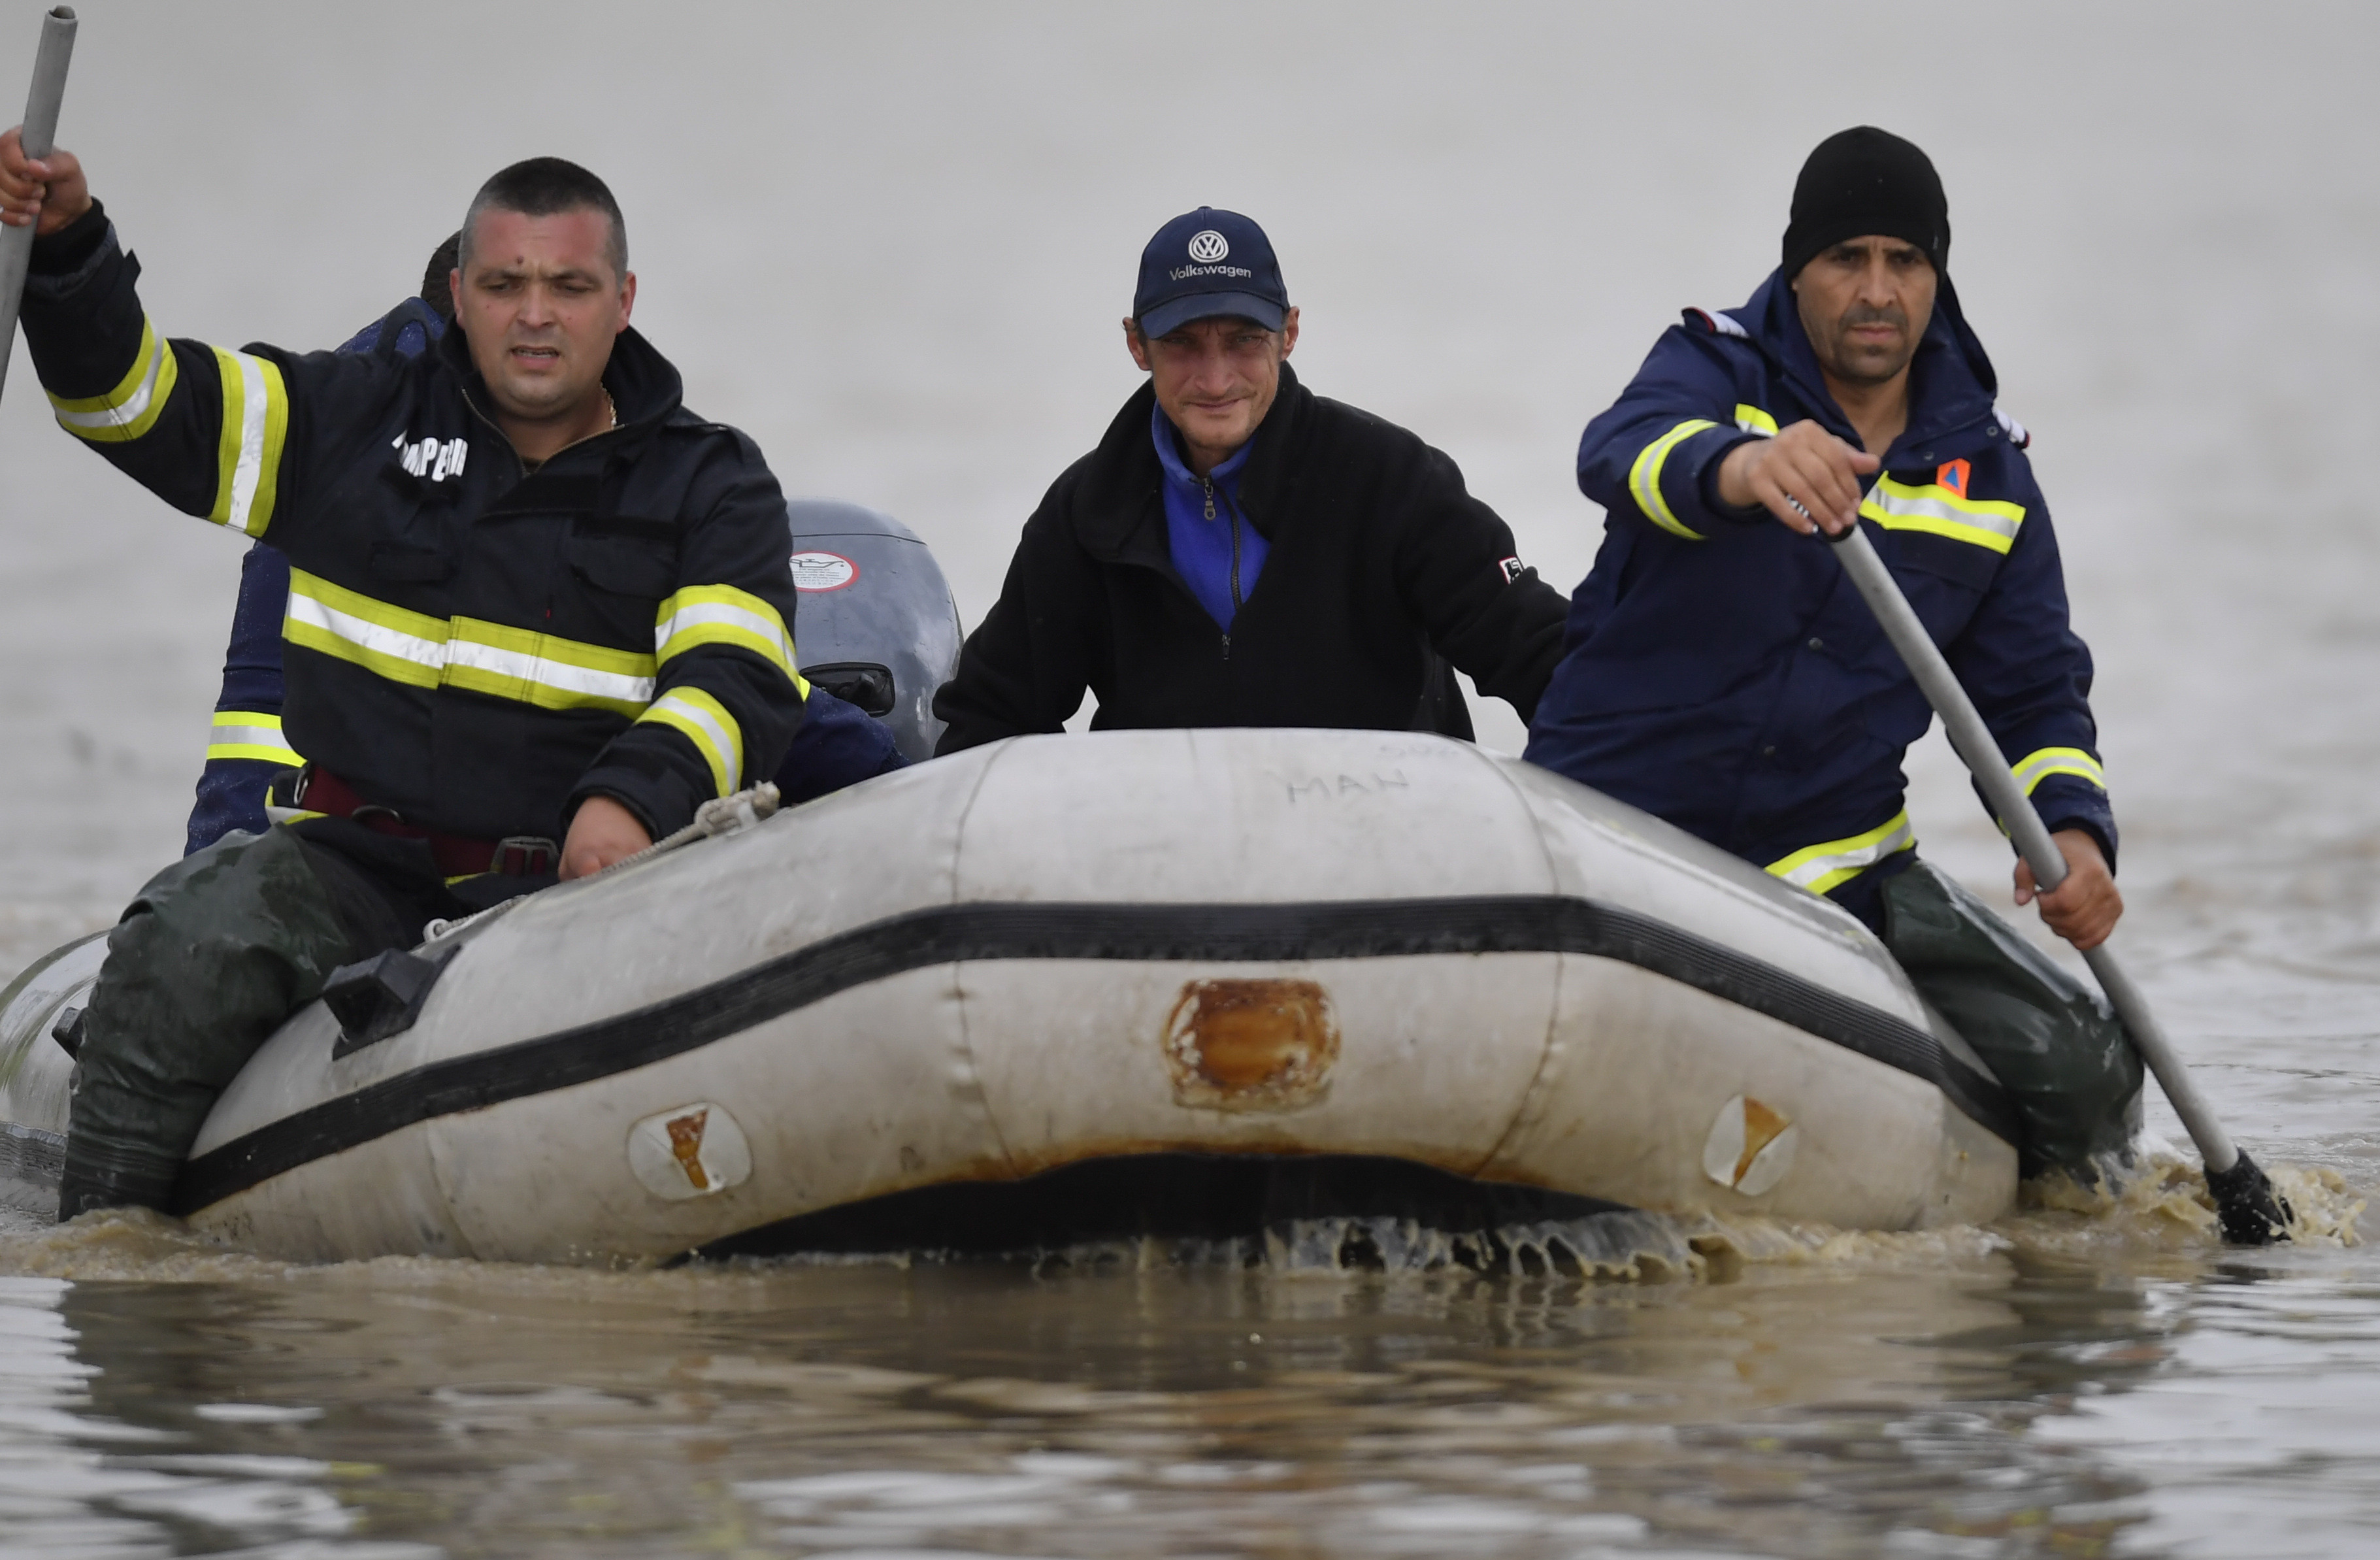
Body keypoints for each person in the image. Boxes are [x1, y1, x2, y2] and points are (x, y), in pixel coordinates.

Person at [0, 130, 806, 1216]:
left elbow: (736, 679)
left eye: (568, 286)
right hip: (352, 873)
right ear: (458, 294)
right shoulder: (348, 419)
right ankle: (109, 1263)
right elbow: (130, 404)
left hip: (578, 894)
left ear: (623, 300)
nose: (535, 314)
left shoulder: (714, 482)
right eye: (504, 285)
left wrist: (631, 801)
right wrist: (68, 249)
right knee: (184, 942)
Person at [1524, 126, 2143, 1174]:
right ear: (1796, 269)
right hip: (1621, 829)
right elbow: (1619, 452)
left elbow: (2031, 699)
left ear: (1937, 279)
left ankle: (2042, 1247)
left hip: (1836, 866)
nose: (1877, 290)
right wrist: (1742, 467)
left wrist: (2076, 841)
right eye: (1846, 258)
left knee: (2090, 1073)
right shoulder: (1711, 363)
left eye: (1905, 261)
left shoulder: (1994, 476)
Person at [182, 241, 899, 853]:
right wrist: (905, 781)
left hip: (271, 868)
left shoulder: (336, 437)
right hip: (380, 880)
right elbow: (763, 703)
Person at [934, 207, 1567, 750]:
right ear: (1137, 345)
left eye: (1243, 340)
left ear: (1289, 334)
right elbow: (990, 716)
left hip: (1388, 841)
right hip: (1164, 848)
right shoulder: (1088, 512)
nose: (1215, 380)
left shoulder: (1391, 479)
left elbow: (1544, 657)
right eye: (1182, 342)